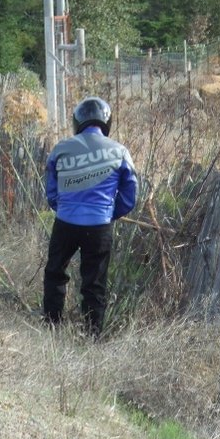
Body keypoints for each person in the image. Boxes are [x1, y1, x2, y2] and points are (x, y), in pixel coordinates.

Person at [43, 96, 138, 337]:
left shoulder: (60, 149)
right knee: (94, 283)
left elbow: (51, 191)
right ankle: (92, 335)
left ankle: (52, 325)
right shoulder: (120, 151)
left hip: (65, 223)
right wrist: (108, 213)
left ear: (78, 121)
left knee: (55, 273)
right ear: (107, 122)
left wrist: (64, 207)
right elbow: (130, 193)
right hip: (99, 227)